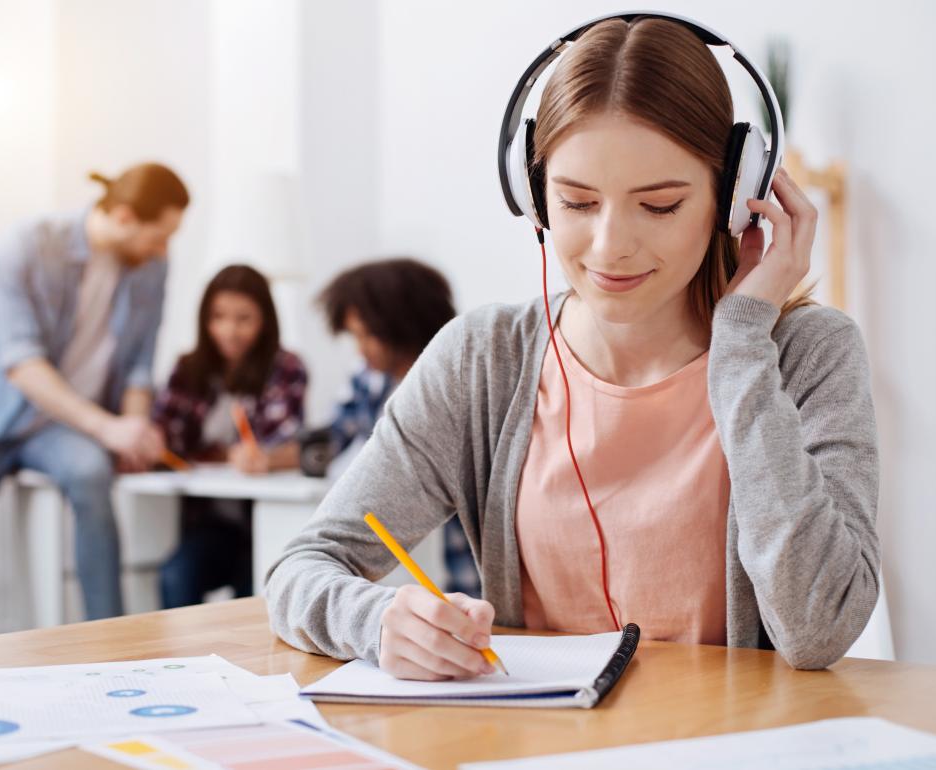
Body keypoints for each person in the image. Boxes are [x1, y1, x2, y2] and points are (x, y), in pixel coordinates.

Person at [266, 15, 880, 679]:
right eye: (578, 202)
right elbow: (300, 569)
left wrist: (742, 345)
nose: (610, 245)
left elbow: (819, 629)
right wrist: (380, 623)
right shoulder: (481, 361)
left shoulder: (808, 355)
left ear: (735, 197)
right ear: (534, 197)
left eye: (661, 205)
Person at [0, 163, 189, 646]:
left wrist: (135, 427)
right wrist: (108, 428)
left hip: (62, 431)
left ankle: (114, 646)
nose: (163, 250)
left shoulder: (151, 268)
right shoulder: (30, 244)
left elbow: (140, 363)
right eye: (158, 237)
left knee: (92, 473)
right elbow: (21, 361)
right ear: (122, 216)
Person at [317, 258, 481, 598]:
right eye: (354, 336)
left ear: (400, 325)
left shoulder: (460, 385)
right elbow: (332, 434)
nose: (360, 349)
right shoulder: (367, 380)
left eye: (368, 335)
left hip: (464, 580)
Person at [154, 265, 307, 608]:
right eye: (218, 317)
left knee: (252, 588)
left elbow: (290, 442)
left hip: (263, 521)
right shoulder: (188, 369)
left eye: (244, 319)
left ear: (264, 320)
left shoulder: (287, 369)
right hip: (209, 522)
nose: (229, 331)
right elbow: (166, 434)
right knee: (175, 575)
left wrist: (266, 458)